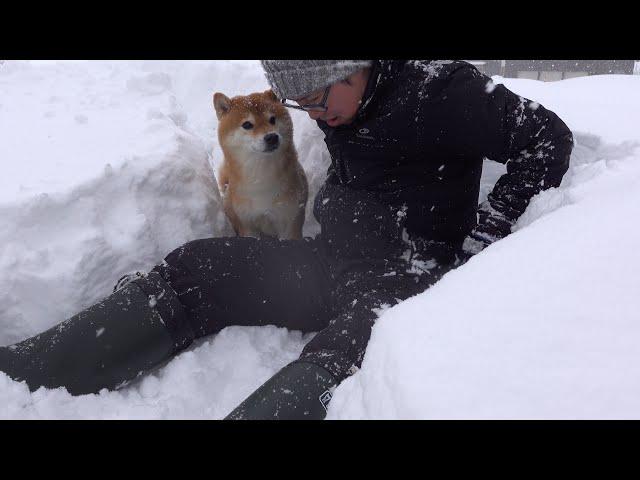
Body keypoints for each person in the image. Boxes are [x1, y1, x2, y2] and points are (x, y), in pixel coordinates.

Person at [0, 60, 573, 419]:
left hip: (410, 279)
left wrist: (486, 237)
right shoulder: (338, 104)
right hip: (332, 261)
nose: (315, 115)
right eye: (303, 106)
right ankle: (24, 372)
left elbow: (549, 138)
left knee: (347, 351)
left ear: (356, 68)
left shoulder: (439, 89)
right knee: (199, 267)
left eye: (321, 99)